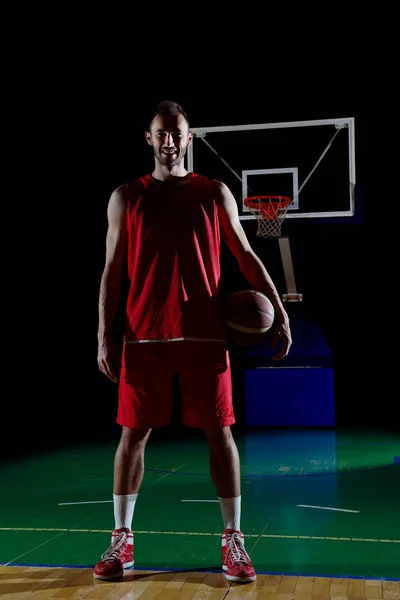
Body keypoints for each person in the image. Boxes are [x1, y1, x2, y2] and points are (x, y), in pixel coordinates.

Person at [95, 100, 292, 582]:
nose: (168, 141)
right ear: (149, 138)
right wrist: (104, 332)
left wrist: (280, 309)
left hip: (205, 333)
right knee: (133, 435)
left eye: (176, 133)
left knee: (219, 432)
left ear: (189, 138)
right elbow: (112, 270)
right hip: (144, 335)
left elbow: (245, 255)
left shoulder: (214, 192)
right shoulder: (126, 196)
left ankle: (233, 539)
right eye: (160, 133)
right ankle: (122, 541)